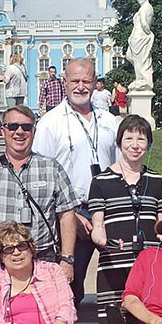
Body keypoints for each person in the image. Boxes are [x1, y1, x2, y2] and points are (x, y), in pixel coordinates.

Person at [88, 115, 162, 324]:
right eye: (129, 138)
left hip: (150, 269)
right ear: (120, 142)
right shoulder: (101, 181)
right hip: (114, 268)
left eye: (141, 139)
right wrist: (100, 237)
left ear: (148, 144)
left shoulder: (157, 180)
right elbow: (97, 224)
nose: (135, 145)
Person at [0, 105, 79, 293]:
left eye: (26, 127)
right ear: (3, 131)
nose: (20, 132)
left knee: (46, 319)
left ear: (34, 131)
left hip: (42, 260)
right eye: (13, 126)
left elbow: (67, 215)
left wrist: (67, 259)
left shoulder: (52, 168)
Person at [32, 57, 119, 307]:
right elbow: (42, 176)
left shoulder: (108, 120)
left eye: (87, 81)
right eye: (75, 81)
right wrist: (69, 216)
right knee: (70, 284)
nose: (81, 86)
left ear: (95, 83)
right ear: (64, 82)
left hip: (107, 209)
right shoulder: (51, 122)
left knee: (115, 279)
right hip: (72, 212)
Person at [126, 0, 154, 90]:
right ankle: (140, 78)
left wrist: (149, 33)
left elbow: (144, 23)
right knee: (130, 56)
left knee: (138, 60)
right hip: (136, 37)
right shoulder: (146, 8)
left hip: (140, 37)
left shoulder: (145, 8)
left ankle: (141, 80)